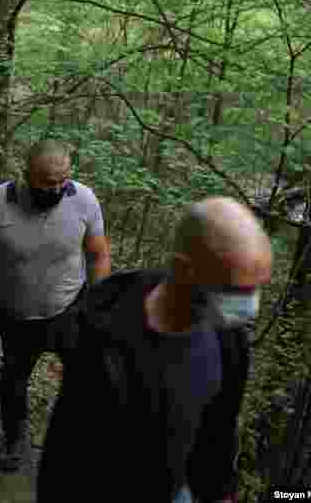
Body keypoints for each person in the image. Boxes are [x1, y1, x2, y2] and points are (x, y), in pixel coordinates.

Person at [36, 197, 271, 503]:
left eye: (256, 288)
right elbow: (67, 449)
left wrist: (219, 493)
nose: (250, 306)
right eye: (237, 290)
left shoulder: (228, 337)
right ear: (185, 270)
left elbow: (219, 429)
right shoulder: (101, 331)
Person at [0, 139, 111, 472]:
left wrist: (97, 314)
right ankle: (15, 439)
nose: (57, 188)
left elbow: (99, 255)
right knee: (12, 383)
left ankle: (74, 443)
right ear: (27, 174)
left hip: (71, 309)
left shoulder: (83, 199)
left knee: (84, 380)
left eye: (63, 180)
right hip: (15, 314)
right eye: (48, 182)